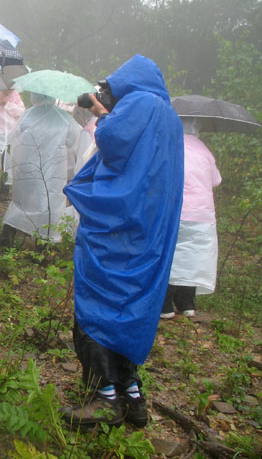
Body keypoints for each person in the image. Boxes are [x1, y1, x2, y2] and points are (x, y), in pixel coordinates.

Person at [61, 55, 184, 428]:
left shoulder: (139, 103)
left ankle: (103, 398)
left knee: (98, 307)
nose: (106, 98)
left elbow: (113, 142)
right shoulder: (168, 115)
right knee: (130, 309)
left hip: (119, 229)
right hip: (149, 228)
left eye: (109, 91)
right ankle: (132, 397)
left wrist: (104, 114)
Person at [0, 93, 81, 247]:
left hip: (26, 167)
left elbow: (14, 140)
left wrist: (13, 169)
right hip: (54, 170)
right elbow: (72, 144)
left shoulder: (27, 115)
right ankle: (43, 241)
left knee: (22, 201)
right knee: (49, 203)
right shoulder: (65, 119)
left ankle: (9, 234)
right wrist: (70, 172)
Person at [161, 117, 222, 319]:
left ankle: (166, 305)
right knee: (193, 258)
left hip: (175, 210)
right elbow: (216, 180)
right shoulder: (204, 149)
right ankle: (187, 304)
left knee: (171, 255)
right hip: (202, 214)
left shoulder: (170, 146)